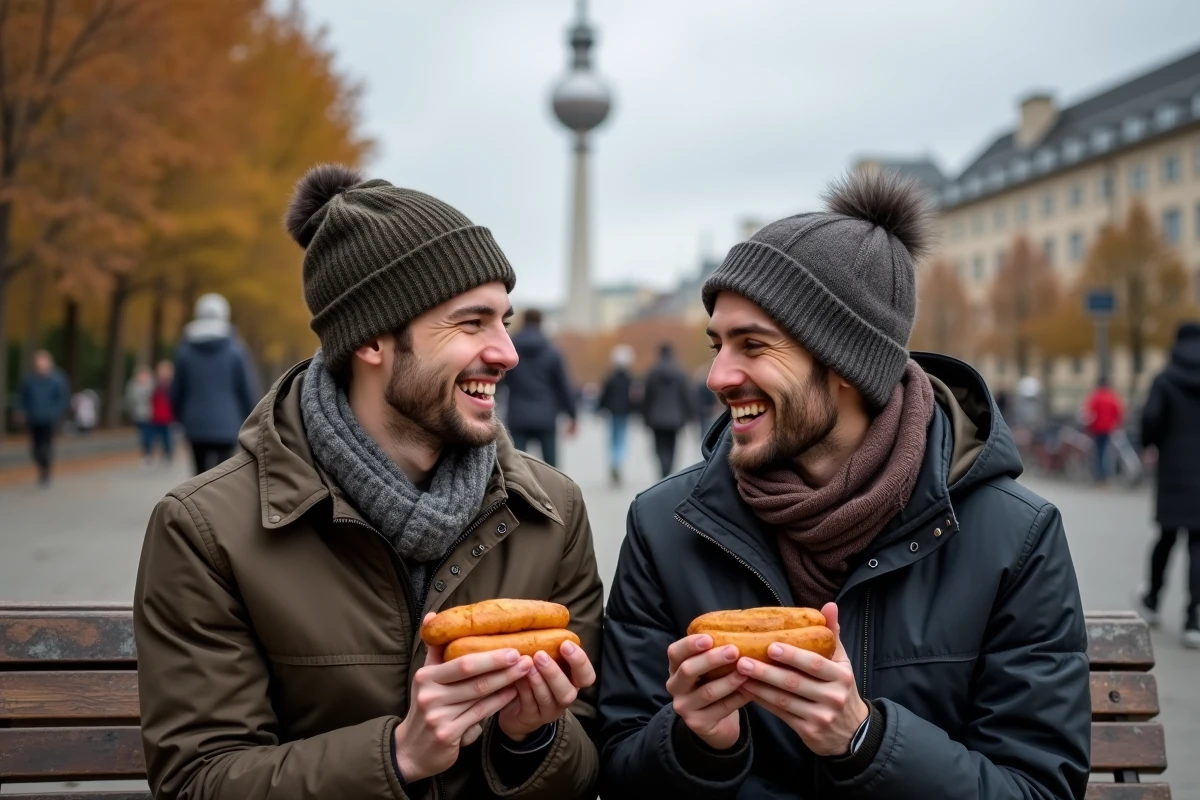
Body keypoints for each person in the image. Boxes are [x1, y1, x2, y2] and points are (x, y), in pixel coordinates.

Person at [597, 171, 1090, 799]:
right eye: (717, 344)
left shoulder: (1014, 537)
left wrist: (865, 740)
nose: (717, 376)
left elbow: (1039, 788)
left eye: (753, 345)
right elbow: (619, 768)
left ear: (848, 364)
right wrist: (694, 744)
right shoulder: (666, 526)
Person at [134, 164, 603, 800]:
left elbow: (588, 758)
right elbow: (198, 781)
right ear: (372, 341)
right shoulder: (205, 529)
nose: (507, 353)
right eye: (471, 323)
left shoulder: (550, 513)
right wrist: (398, 756)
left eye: (505, 321)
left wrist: (533, 739)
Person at [1139, 320, 1200, 648]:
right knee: (1198, 544)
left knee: (1166, 537)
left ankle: (1152, 599)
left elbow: (1151, 420)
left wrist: (1152, 441)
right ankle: (1193, 618)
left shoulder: (1165, 379)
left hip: (1174, 470)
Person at [170, 292, 260, 475]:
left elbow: (176, 390)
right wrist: (250, 416)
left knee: (199, 475)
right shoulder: (236, 349)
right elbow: (246, 388)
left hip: (194, 423)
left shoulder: (185, 351)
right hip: (228, 423)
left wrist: (181, 417)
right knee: (223, 476)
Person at [502, 309, 576, 467]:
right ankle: (551, 485)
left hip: (518, 415)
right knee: (551, 467)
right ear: (541, 323)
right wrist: (572, 415)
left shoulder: (511, 349)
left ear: (523, 322)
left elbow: (500, 380)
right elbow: (562, 386)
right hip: (546, 415)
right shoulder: (552, 351)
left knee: (516, 467)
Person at [641, 342, 696, 479]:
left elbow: (647, 397)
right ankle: (668, 470)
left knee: (659, 446)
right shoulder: (679, 372)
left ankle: (663, 468)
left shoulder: (652, 373)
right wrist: (691, 415)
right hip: (675, 417)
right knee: (672, 446)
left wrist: (645, 417)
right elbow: (686, 395)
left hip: (656, 417)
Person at [18, 350, 69, 485]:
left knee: (46, 446)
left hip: (49, 419)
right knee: (35, 447)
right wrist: (22, 411)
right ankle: (42, 465)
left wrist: (56, 413)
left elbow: (62, 399)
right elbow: (23, 397)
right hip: (34, 418)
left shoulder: (57, 380)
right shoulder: (29, 380)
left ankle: (46, 470)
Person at [597, 344, 636, 486]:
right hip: (624, 413)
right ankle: (618, 462)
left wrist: (600, 409)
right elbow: (634, 398)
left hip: (612, 412)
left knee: (613, 440)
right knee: (621, 440)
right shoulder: (630, 379)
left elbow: (604, 396)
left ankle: (614, 462)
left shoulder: (610, 378)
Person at [1082, 375, 1124, 483]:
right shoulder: (1112, 396)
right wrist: (1116, 424)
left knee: (1099, 453)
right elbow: (1118, 412)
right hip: (1109, 429)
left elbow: (1089, 414)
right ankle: (1106, 475)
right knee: (1106, 452)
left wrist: (1088, 427)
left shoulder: (1095, 397)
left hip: (1097, 429)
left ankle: (1100, 476)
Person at [126, 366, 157, 465]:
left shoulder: (153, 385)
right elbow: (130, 399)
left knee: (149, 435)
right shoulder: (133, 385)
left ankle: (149, 453)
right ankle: (146, 454)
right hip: (139, 414)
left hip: (151, 415)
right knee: (143, 436)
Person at [148, 360, 175, 463]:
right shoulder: (154, 384)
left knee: (167, 438)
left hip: (168, 417)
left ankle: (168, 455)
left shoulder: (172, 384)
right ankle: (152, 455)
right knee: (153, 438)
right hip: (156, 416)